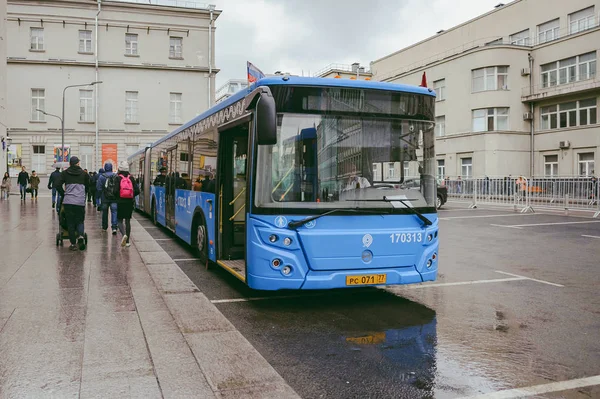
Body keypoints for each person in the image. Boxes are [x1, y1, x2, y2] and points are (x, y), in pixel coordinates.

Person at [56, 156, 90, 251]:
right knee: (80, 221)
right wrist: (83, 195)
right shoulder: (84, 174)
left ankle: (73, 244)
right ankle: (80, 236)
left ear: (70, 164)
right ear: (78, 163)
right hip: (79, 202)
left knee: (70, 222)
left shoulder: (65, 173)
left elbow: (57, 185)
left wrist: (64, 194)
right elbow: (87, 187)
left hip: (68, 202)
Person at [114, 161, 139, 247]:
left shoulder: (118, 178)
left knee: (119, 220)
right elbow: (137, 190)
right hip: (129, 202)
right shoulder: (131, 178)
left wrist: (118, 197)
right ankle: (127, 241)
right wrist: (131, 196)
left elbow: (115, 191)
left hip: (120, 202)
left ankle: (123, 234)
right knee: (128, 221)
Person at [96, 162, 118, 234]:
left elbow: (99, 188)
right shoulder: (115, 176)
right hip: (114, 197)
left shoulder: (101, 176)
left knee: (105, 212)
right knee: (114, 212)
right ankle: (114, 227)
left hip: (104, 198)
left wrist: (98, 197)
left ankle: (104, 227)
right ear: (111, 167)